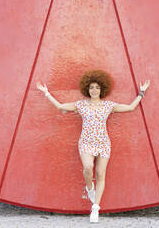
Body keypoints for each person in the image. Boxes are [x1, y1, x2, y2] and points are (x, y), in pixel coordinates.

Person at [36, 69, 150, 223]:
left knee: (101, 174)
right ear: (87, 89)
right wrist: (46, 93)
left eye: (97, 87)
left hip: (103, 143)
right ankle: (90, 188)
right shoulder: (81, 105)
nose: (94, 90)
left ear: (101, 89)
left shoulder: (108, 105)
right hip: (86, 142)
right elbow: (60, 107)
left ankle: (95, 207)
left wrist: (141, 93)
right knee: (88, 168)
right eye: (91, 88)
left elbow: (130, 107)